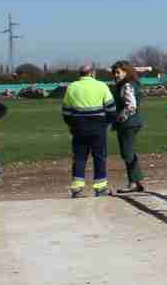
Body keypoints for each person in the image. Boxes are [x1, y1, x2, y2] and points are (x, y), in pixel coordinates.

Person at [61, 64, 116, 198]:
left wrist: (71, 125)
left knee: (79, 157)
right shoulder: (102, 86)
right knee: (99, 156)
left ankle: (77, 187)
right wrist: (108, 122)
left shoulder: (72, 87)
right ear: (92, 73)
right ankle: (100, 187)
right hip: (98, 126)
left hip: (79, 127)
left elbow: (66, 111)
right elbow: (111, 108)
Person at [109, 60, 146, 194]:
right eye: (114, 73)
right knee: (128, 152)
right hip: (132, 122)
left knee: (127, 153)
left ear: (126, 71)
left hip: (128, 124)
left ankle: (133, 183)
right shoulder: (131, 84)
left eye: (118, 72)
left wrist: (119, 118)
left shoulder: (126, 86)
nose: (115, 75)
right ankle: (136, 181)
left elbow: (131, 106)